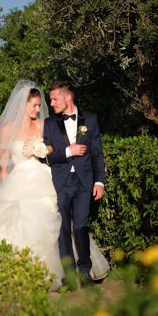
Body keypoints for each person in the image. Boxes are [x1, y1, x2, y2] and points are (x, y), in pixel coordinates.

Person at [0, 80, 65, 283]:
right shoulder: (7, 129)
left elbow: (54, 147)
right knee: (16, 223)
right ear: (23, 104)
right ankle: (16, 271)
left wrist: (40, 150)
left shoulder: (41, 125)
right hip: (18, 181)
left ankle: (46, 271)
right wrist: (6, 193)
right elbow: (3, 167)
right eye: (34, 105)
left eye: (39, 105)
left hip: (41, 178)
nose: (38, 109)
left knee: (45, 220)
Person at [44, 81, 109, 282]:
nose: (52, 103)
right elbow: (46, 156)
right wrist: (67, 151)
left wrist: (100, 182)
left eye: (55, 99)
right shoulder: (48, 123)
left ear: (68, 98)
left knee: (81, 225)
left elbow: (97, 154)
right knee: (63, 228)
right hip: (61, 182)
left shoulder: (90, 119)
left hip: (84, 182)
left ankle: (85, 271)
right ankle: (69, 275)